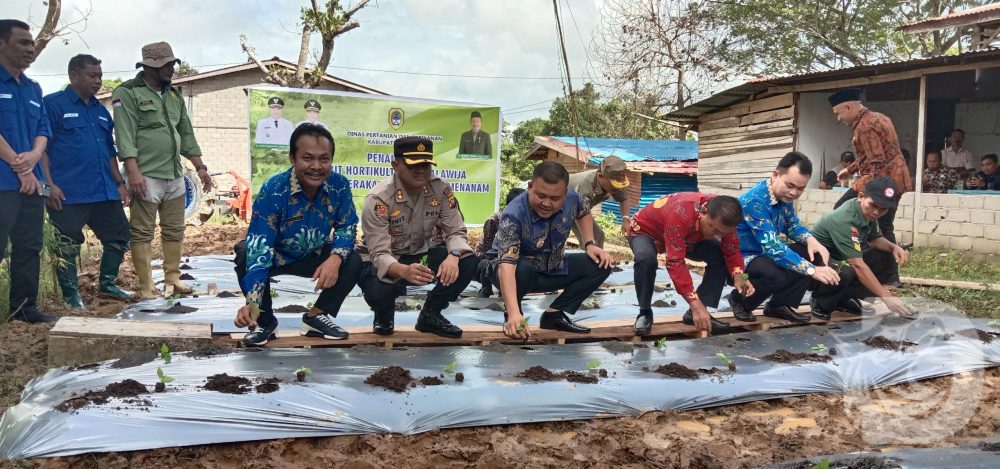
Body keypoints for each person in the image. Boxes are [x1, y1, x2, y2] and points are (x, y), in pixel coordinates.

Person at [233, 124, 361, 345]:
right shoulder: (273, 190)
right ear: (292, 158)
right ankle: (264, 322)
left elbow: (347, 226)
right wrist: (252, 301)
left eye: (324, 159)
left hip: (314, 254)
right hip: (276, 255)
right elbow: (260, 246)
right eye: (307, 158)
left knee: (354, 260)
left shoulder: (339, 186)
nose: (316, 166)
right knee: (245, 253)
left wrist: (335, 258)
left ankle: (316, 316)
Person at [112, 42, 213, 300]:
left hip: (174, 174)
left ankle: (173, 277)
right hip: (146, 175)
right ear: (150, 66)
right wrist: (132, 172)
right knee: (143, 232)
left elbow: (186, 134)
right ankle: (147, 286)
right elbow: (125, 135)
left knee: (174, 229)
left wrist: (200, 167)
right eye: (165, 65)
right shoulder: (128, 93)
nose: (171, 69)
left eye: (171, 64)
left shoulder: (174, 95)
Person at [357, 136, 478, 338]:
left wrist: (454, 255)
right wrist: (402, 270)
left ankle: (431, 314)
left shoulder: (440, 190)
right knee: (378, 291)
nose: (421, 170)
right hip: (386, 260)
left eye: (425, 164)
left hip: (419, 256)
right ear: (395, 165)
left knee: (468, 261)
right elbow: (379, 253)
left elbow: (456, 230)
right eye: (414, 165)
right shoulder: (378, 199)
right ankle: (383, 312)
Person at [40, 54, 132, 309]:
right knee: (67, 245)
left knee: (120, 237)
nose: (98, 81)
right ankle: (72, 297)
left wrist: (120, 183)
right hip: (68, 192)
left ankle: (107, 285)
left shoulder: (101, 111)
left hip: (103, 190)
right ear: (73, 76)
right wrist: (48, 186)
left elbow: (109, 151)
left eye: (100, 75)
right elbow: (42, 148)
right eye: (92, 75)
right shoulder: (53, 105)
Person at [488, 161, 614, 340]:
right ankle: (513, 317)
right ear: (530, 187)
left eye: (555, 199)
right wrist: (514, 312)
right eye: (541, 195)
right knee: (523, 267)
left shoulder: (573, 198)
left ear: (565, 193)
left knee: (601, 264)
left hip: (551, 267)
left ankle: (554, 315)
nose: (547, 203)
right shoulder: (514, 214)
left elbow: (583, 210)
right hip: (513, 273)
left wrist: (590, 244)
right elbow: (506, 266)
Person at [733, 152, 842, 324]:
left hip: (765, 254)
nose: (793, 193)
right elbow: (772, 246)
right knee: (778, 274)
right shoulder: (754, 200)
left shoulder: (782, 197)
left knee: (810, 254)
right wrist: (812, 270)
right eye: (790, 185)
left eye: (800, 188)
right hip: (742, 257)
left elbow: (791, 225)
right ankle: (740, 300)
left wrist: (812, 241)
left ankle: (778, 305)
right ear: (775, 174)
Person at [628, 193, 754, 335]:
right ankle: (644, 313)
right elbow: (676, 262)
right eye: (714, 229)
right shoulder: (681, 212)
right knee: (646, 259)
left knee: (720, 255)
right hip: (647, 231)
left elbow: (731, 250)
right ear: (703, 212)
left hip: (688, 236)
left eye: (722, 234)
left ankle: (697, 312)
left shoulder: (726, 220)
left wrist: (739, 275)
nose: (717, 236)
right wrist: (694, 302)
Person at [0, 19, 55, 323]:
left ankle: (24, 309)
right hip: (3, 182)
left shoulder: (33, 88)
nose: (31, 48)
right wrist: (18, 165)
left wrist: (33, 157)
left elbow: (43, 129)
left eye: (32, 43)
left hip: (32, 181)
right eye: (23, 42)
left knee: (29, 245)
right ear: (1, 44)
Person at [830, 88, 912, 287]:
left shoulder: (864, 126)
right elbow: (869, 154)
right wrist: (849, 170)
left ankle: (869, 269)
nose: (839, 118)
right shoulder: (879, 117)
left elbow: (877, 162)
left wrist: (874, 194)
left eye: (838, 113)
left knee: (842, 211)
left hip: (882, 180)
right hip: (896, 179)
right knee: (884, 226)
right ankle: (890, 277)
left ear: (849, 107)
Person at [811, 177, 913, 319]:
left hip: (840, 255)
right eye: (873, 205)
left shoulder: (867, 213)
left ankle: (843, 298)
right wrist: (885, 296)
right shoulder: (844, 219)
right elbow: (857, 265)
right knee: (845, 271)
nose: (876, 212)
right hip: (817, 260)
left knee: (885, 256)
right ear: (861, 197)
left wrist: (893, 247)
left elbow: (875, 238)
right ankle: (821, 301)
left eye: (883, 209)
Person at [568, 155, 632, 247]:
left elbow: (624, 199)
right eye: (613, 185)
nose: (617, 188)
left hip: (580, 209)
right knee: (591, 240)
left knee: (597, 237)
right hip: (562, 207)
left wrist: (626, 220)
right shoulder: (585, 187)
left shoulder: (617, 181)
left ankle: (593, 260)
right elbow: (582, 214)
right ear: (601, 176)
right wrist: (589, 242)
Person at [475, 187, 525, 298]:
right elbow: (487, 251)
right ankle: (486, 288)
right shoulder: (494, 220)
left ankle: (506, 290)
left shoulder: (526, 221)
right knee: (485, 264)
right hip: (489, 257)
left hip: (513, 258)